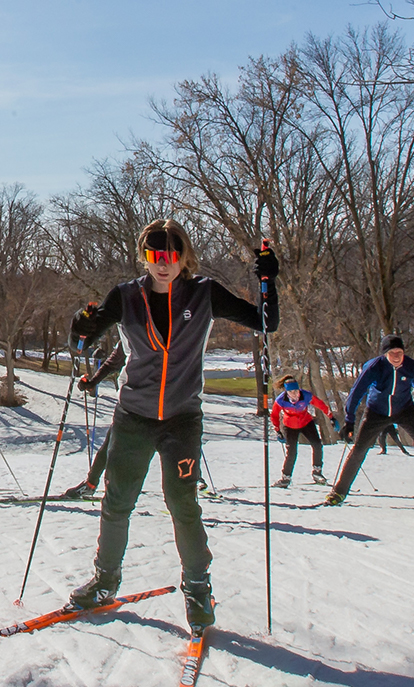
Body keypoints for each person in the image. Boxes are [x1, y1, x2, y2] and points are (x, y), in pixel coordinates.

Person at [65, 219, 279, 638]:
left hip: (182, 418)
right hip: (134, 417)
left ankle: (198, 589)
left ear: (183, 256)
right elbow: (80, 344)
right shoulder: (126, 296)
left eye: (170, 256)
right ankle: (105, 580)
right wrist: (80, 325)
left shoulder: (204, 293)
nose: (162, 265)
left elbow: (265, 324)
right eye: (154, 256)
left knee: (182, 504)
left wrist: (268, 278)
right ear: (145, 257)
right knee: (117, 501)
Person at [324, 335, 414, 507]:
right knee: (360, 448)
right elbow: (356, 393)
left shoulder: (410, 366)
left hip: (404, 409)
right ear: (385, 354)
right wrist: (349, 421)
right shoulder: (375, 367)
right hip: (377, 412)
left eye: (400, 352)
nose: (396, 356)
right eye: (392, 352)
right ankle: (338, 493)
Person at [62, 342, 127, 499]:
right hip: (132, 404)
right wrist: (93, 381)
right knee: (110, 446)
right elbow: (116, 359)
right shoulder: (129, 327)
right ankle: (90, 484)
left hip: (168, 404)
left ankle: (187, 487)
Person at [269, 377, 332, 487]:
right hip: (290, 426)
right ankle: (285, 478)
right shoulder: (281, 400)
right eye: (291, 392)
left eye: (296, 391)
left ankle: (317, 472)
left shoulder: (306, 396)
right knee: (292, 452)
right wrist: (278, 430)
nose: (294, 394)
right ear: (286, 392)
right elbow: (274, 415)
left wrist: (331, 417)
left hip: (306, 422)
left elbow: (320, 404)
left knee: (317, 445)